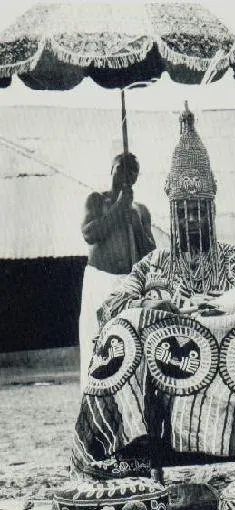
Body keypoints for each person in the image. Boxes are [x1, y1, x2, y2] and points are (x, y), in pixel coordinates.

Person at [72, 104, 235, 480]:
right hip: (167, 389)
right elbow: (112, 305)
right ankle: (134, 447)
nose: (190, 219)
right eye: (182, 212)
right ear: (173, 213)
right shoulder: (153, 266)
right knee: (125, 330)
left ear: (211, 210)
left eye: (198, 210)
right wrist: (151, 304)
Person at [79, 152, 156, 392]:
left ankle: (128, 393)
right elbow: (89, 234)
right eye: (121, 168)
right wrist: (118, 208)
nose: (126, 175)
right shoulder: (96, 200)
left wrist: (134, 220)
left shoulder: (140, 210)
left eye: (132, 171)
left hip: (128, 283)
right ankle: (94, 391)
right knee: (98, 338)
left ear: (136, 178)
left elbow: (150, 251)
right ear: (111, 169)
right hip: (100, 280)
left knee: (129, 339)